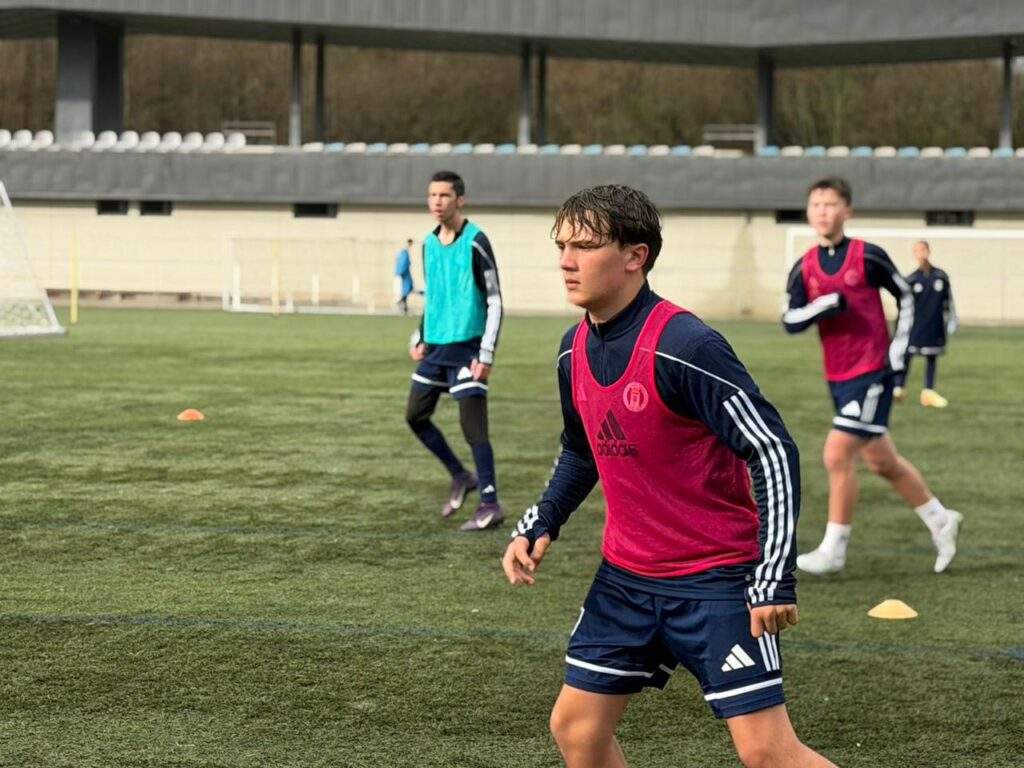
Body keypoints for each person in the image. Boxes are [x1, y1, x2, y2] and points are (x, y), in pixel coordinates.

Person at [503, 185, 834, 768]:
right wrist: (541, 520)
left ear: (636, 256)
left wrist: (772, 576)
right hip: (626, 578)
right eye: (562, 246)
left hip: (716, 579)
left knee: (767, 752)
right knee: (577, 730)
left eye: (585, 246)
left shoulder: (685, 345)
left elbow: (771, 450)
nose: (566, 261)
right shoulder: (572, 350)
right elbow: (581, 450)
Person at [782, 177, 962, 575]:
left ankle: (834, 550)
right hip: (838, 376)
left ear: (847, 210)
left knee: (836, 453)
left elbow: (907, 296)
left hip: (873, 371)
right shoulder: (805, 266)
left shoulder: (868, 256)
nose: (823, 211)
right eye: (816, 204)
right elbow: (789, 319)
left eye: (831, 204)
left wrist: (897, 353)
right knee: (882, 461)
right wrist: (824, 306)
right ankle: (940, 519)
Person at [405, 171, 505, 531]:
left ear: (460, 200)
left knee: (473, 429)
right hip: (435, 348)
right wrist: (419, 334)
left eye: (445, 195)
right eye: (432, 195)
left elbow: (495, 300)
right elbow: (434, 296)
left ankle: (490, 504)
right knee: (415, 415)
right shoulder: (428, 244)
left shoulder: (477, 241)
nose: (437, 201)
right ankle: (461, 475)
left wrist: (486, 353)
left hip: (468, 350)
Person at [892, 241, 958, 407]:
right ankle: (899, 388)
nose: (921, 253)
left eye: (923, 249)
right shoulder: (911, 279)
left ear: (929, 251)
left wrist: (952, 319)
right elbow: (902, 305)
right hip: (915, 326)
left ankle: (928, 392)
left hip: (934, 324)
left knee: (931, 356)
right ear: (914, 254)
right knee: (907, 355)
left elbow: (949, 301)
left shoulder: (941, 276)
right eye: (917, 250)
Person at [394, 238, 416, 315]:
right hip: (404, 274)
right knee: (406, 289)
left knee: (408, 289)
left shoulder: (404, 251)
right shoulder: (404, 252)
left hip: (404, 274)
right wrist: (400, 273)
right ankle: (401, 303)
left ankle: (404, 306)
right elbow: (403, 263)